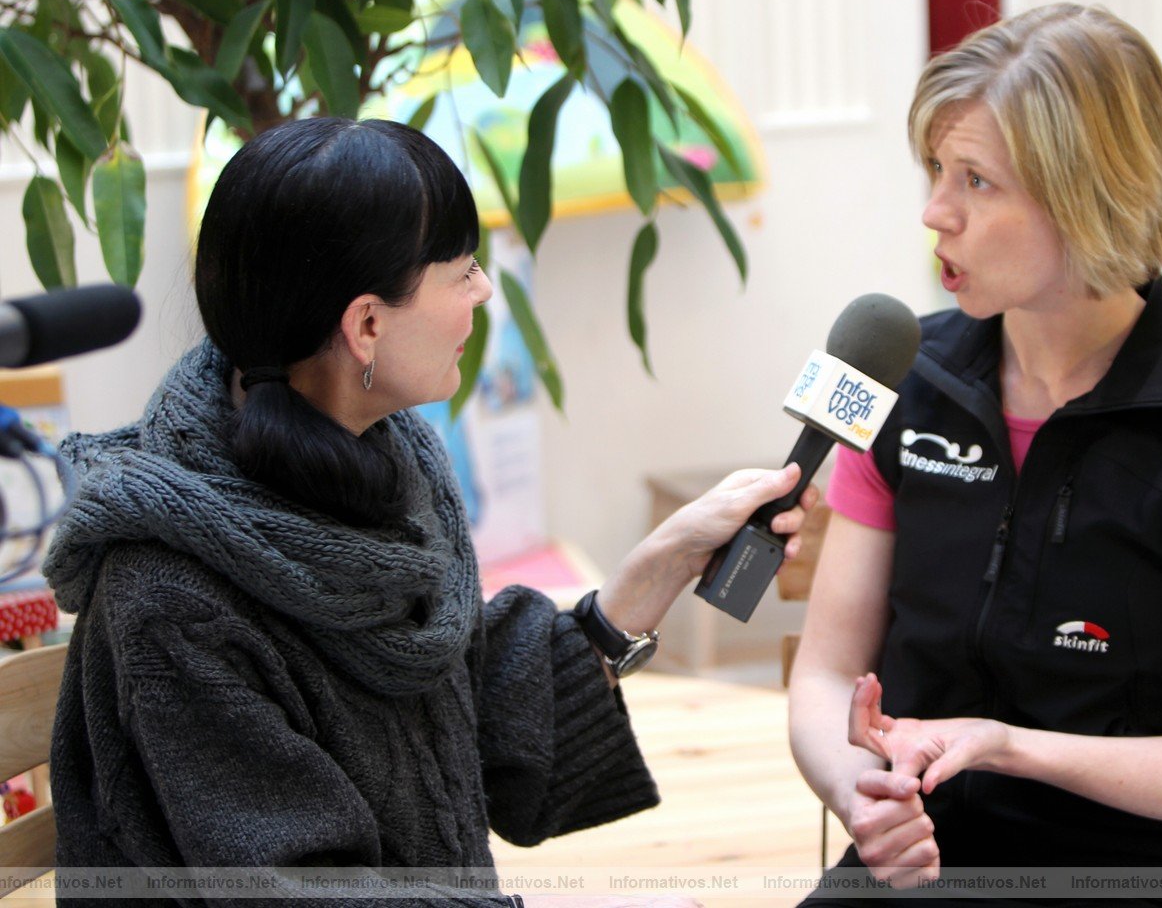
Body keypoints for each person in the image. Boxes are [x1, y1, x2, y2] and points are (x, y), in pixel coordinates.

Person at [42, 117, 817, 905]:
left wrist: (663, 565)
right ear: (367, 324)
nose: (484, 290)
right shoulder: (171, 597)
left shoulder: (387, 459)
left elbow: (459, 718)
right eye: (463, 270)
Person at [787, 4, 1162, 906]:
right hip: (918, 874)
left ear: (1087, 196)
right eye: (933, 170)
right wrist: (861, 796)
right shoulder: (901, 380)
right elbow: (826, 672)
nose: (935, 212)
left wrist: (1006, 746)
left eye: (978, 182)